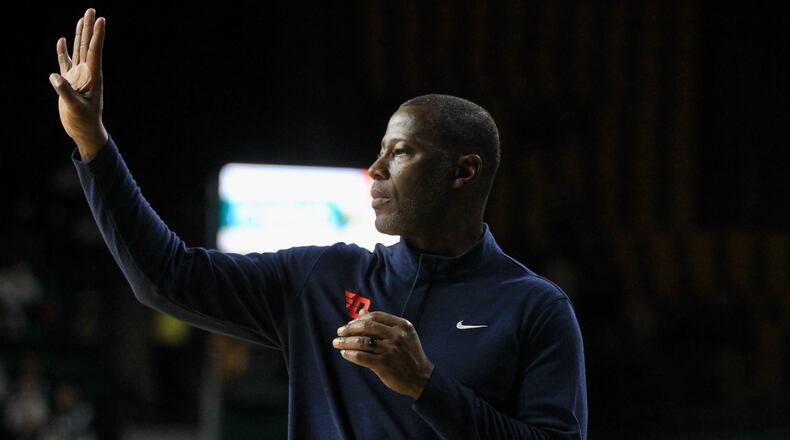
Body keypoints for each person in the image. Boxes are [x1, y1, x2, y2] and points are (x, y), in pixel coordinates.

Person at [49, 8, 588, 439]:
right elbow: (165, 276)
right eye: (379, 151)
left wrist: (426, 386)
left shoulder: (535, 307)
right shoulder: (323, 278)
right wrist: (92, 142)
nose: (375, 169)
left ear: (463, 171)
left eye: (399, 153)